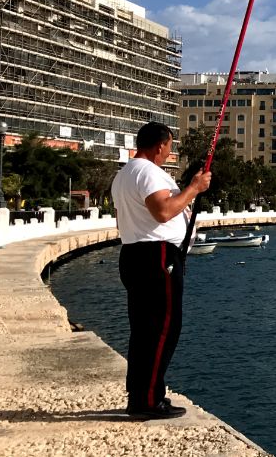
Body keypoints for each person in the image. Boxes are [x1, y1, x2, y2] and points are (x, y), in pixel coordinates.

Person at [111, 122, 210, 420]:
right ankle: (150, 400)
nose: (169, 152)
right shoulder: (149, 172)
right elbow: (163, 211)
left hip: (133, 254)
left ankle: (140, 395)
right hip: (156, 258)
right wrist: (194, 188)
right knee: (164, 329)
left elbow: (127, 220)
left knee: (143, 331)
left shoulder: (123, 175)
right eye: (169, 146)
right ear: (159, 145)